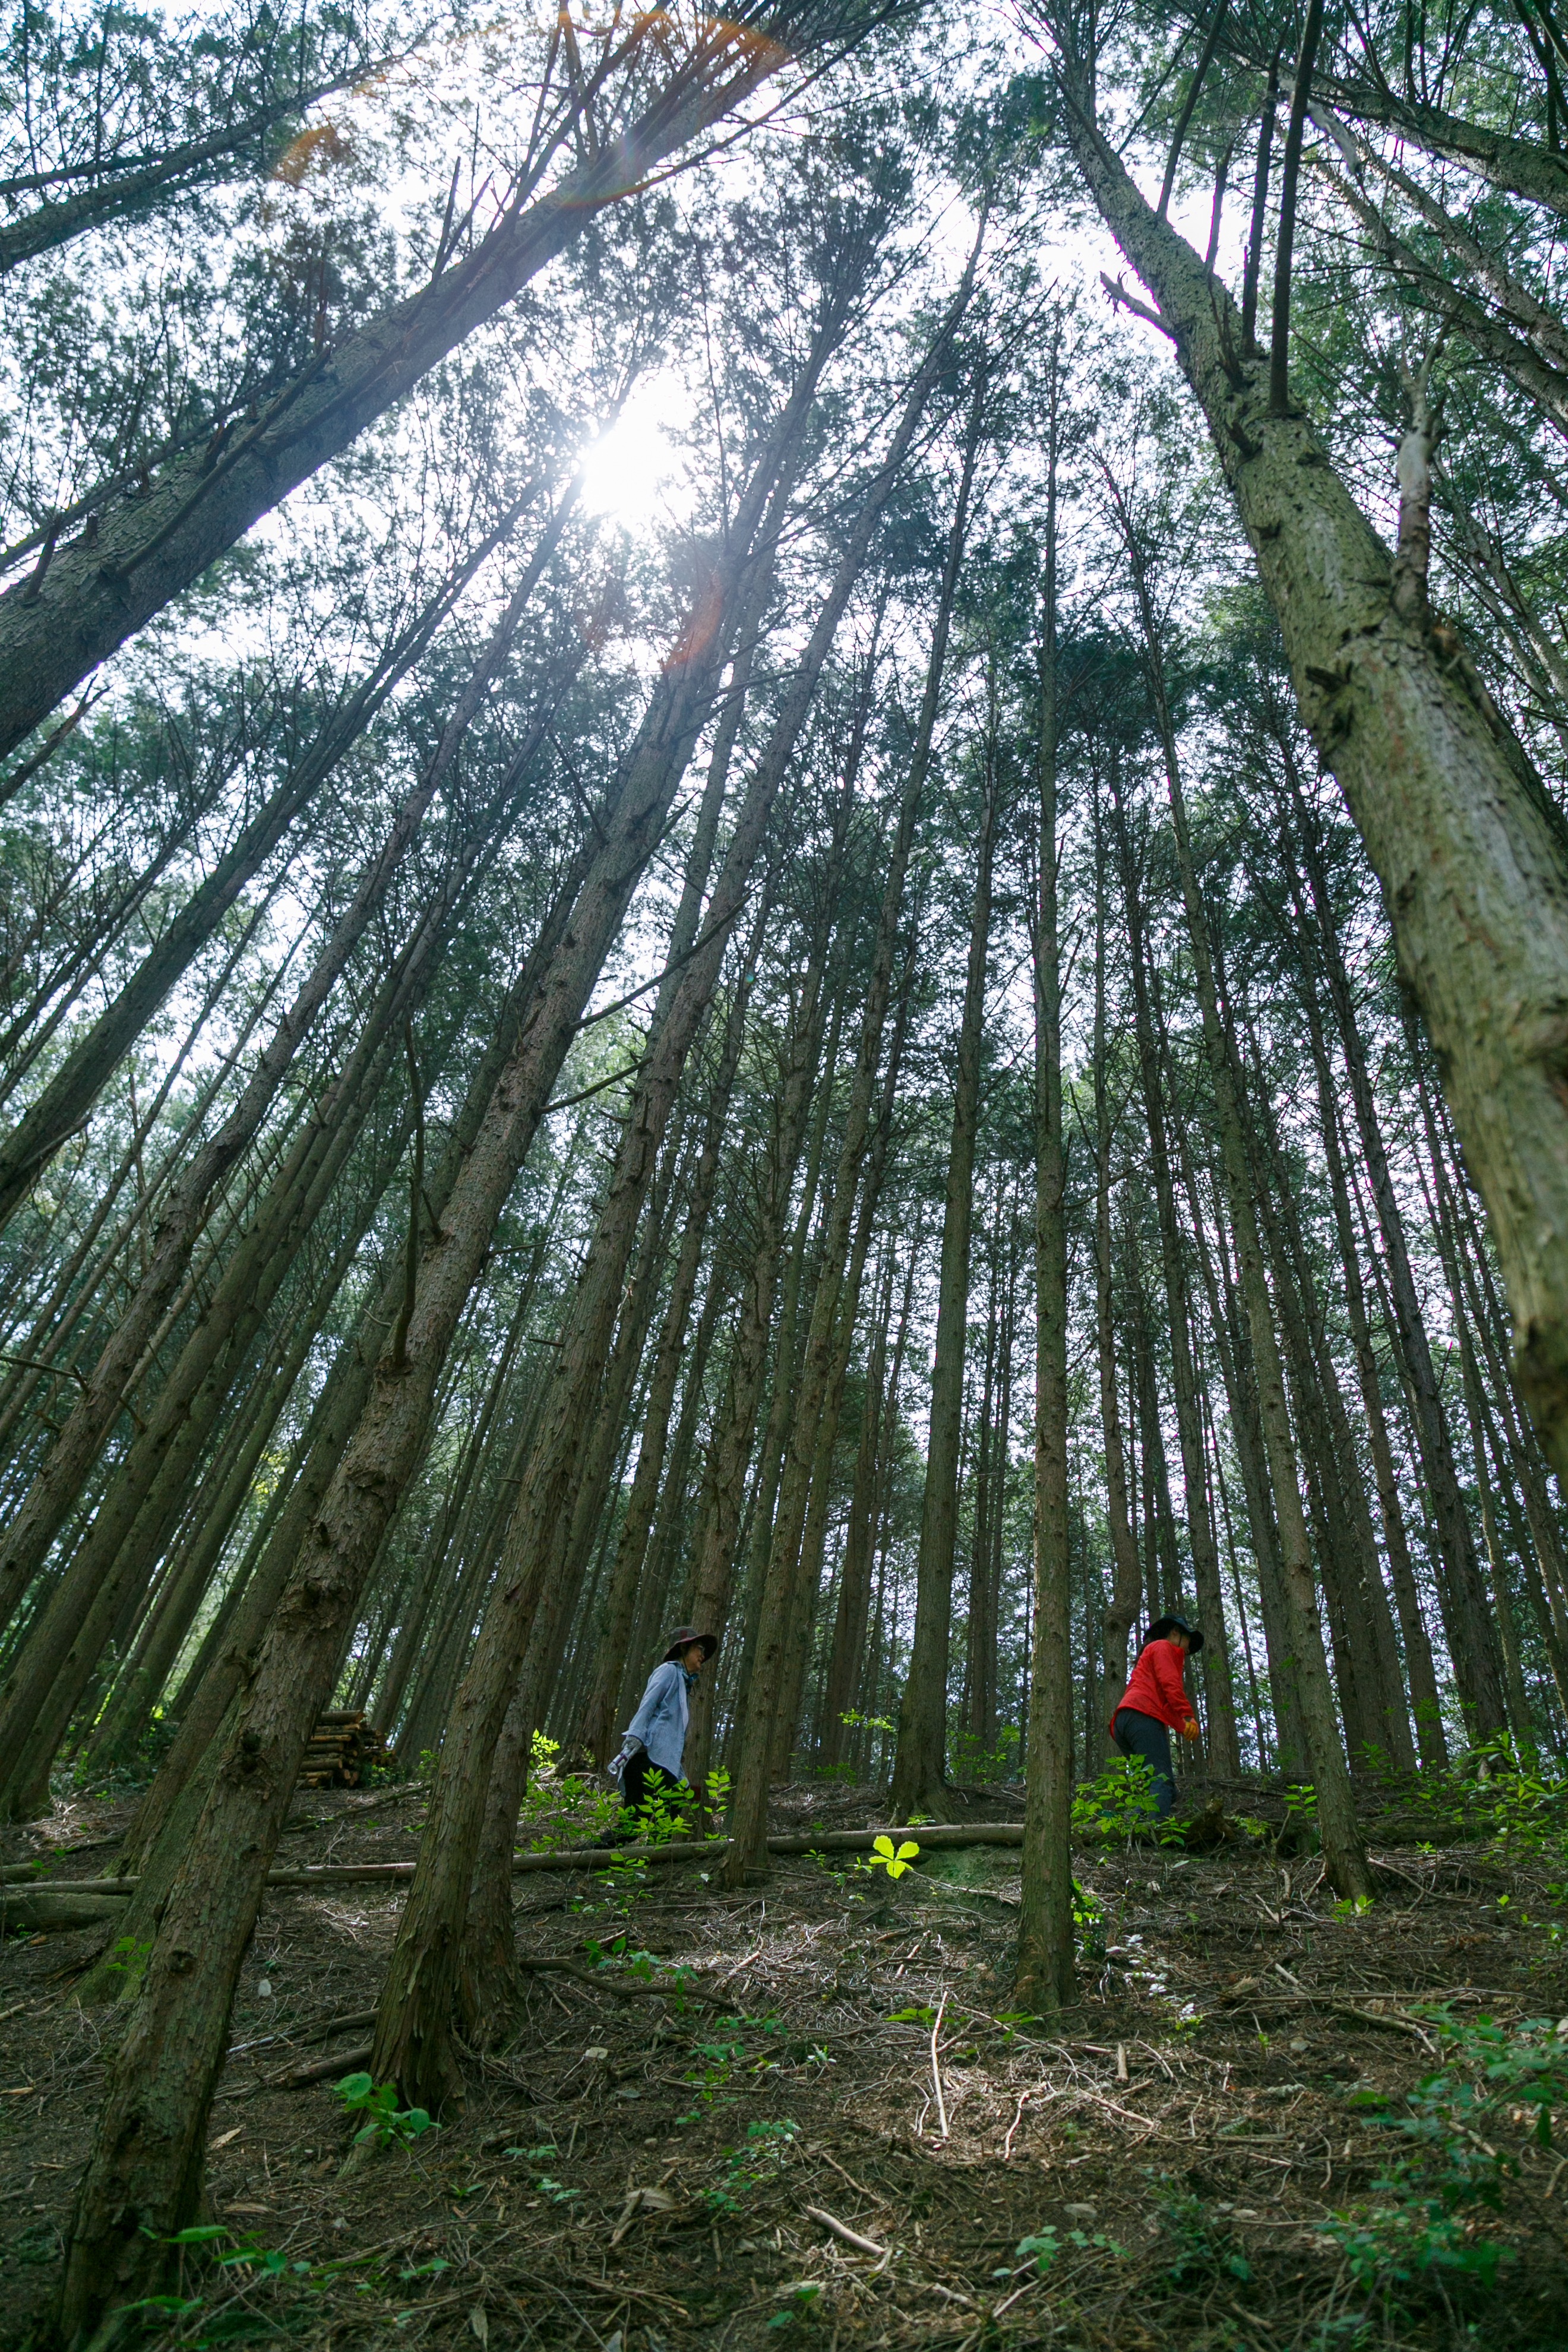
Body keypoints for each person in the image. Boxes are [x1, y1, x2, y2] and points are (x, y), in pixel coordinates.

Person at [609, 1624, 717, 1830]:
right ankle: (585, 1854)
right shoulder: (668, 1671)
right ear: (684, 1648)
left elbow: (671, 1742)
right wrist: (634, 1737)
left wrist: (681, 1777)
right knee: (647, 1819)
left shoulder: (683, 1684)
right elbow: (648, 1704)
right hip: (646, 1758)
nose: (703, 1656)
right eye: (700, 1649)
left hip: (657, 1761)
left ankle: (649, 1849)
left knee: (635, 1827)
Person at [1109, 1614, 1203, 1820]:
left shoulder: (1152, 1652)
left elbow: (1162, 1701)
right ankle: (1157, 1834)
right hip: (1142, 1717)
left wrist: (1183, 1725)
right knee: (1162, 1782)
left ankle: (1126, 1828)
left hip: (1126, 1721)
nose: (1187, 1651)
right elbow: (1170, 1685)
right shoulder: (1163, 1647)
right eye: (1187, 1643)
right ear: (1175, 1633)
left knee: (1154, 1785)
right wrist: (1188, 1716)